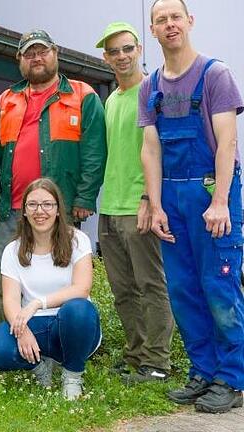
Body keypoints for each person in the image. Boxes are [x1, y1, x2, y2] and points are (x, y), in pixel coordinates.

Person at [140, 0, 244, 413]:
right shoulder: (152, 86)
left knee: (219, 287)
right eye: (161, 19)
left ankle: (232, 378)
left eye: (175, 17)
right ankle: (203, 371)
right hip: (173, 198)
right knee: (183, 290)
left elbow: (228, 143)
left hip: (210, 192)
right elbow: (150, 149)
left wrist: (220, 201)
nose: (169, 25)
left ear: (189, 22)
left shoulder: (215, 74)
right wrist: (156, 203)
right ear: (153, 29)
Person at [0, 29, 106, 327]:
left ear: (55, 53)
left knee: (61, 279)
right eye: (29, 53)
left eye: (42, 51)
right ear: (19, 60)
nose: (36, 58)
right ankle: (9, 339)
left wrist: (85, 197)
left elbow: (94, 152)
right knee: (4, 279)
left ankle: (62, 340)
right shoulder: (6, 100)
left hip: (59, 211)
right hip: (14, 210)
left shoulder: (82, 95)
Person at [95, 22, 173, 383]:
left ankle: (157, 364)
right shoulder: (111, 99)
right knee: (123, 290)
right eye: (114, 51)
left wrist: (148, 199)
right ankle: (136, 355)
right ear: (106, 57)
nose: (122, 56)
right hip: (110, 207)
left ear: (140, 48)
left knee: (151, 285)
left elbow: (159, 152)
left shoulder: (153, 90)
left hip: (138, 206)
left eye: (128, 48)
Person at [0, 178, 101, 401]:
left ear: (58, 210)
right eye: (33, 205)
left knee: (78, 309)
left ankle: (72, 375)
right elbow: (10, 301)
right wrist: (21, 330)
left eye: (47, 204)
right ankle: (39, 368)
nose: (40, 211)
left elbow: (82, 289)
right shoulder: (12, 250)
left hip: (72, 325)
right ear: (24, 211)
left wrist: (38, 303)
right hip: (33, 324)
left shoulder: (77, 240)